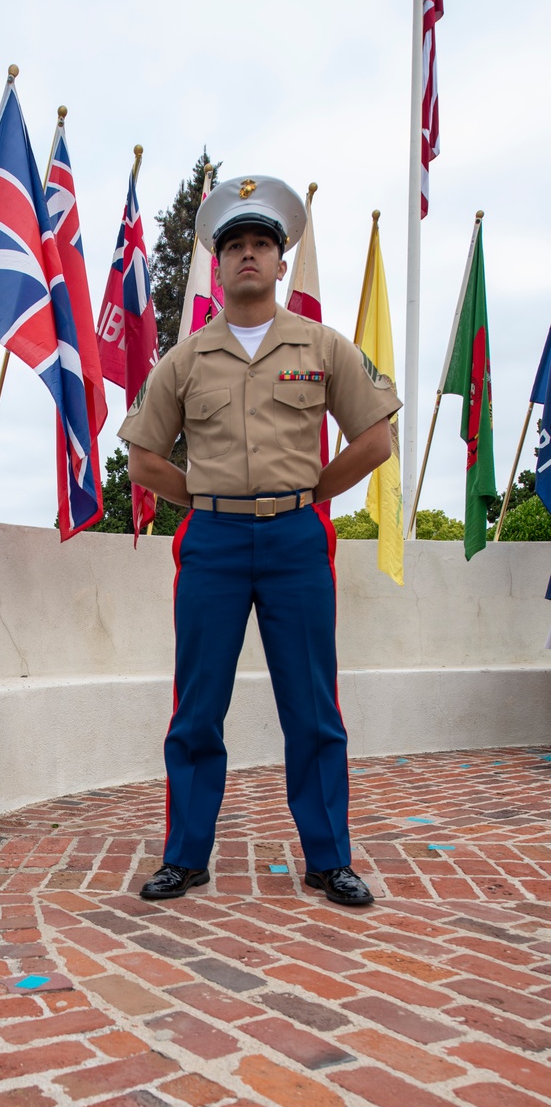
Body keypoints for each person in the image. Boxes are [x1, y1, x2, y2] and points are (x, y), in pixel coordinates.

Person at [120, 174, 400, 908]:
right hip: (211, 542)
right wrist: (205, 499)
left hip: (295, 542)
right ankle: (185, 857)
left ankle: (328, 857)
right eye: (235, 245)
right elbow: (145, 458)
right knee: (197, 708)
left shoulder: (325, 346)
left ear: (281, 263)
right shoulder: (184, 360)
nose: (248, 255)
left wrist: (314, 491)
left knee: (312, 707)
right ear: (217, 265)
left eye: (262, 245)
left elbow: (376, 438)